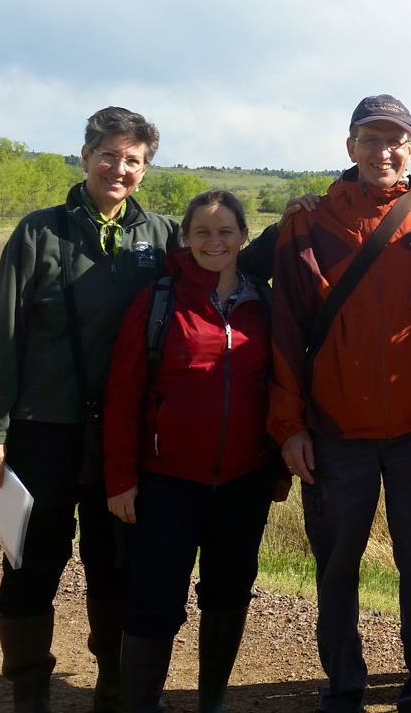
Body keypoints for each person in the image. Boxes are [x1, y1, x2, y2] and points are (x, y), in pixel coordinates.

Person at [0, 107, 296, 713]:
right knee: (32, 558)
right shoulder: (39, 233)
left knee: (114, 561)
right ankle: (29, 690)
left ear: (145, 169)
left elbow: (221, 259)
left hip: (122, 430)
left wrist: (296, 221)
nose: (119, 168)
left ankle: (114, 685)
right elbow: (3, 332)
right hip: (46, 424)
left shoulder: (161, 234)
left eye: (133, 160)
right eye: (109, 154)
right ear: (87, 152)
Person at [270, 94, 411, 713]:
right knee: (337, 570)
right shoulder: (309, 222)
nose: (384, 152)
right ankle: (345, 686)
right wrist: (291, 426)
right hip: (334, 430)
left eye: (396, 141)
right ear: (350, 146)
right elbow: (285, 332)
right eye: (371, 140)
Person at [101, 190, 288, 712]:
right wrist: (120, 477)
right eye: (202, 231)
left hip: (243, 480)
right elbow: (123, 396)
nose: (214, 241)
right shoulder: (158, 300)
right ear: (185, 237)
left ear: (244, 237)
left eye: (226, 231)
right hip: (166, 479)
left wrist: (276, 471)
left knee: (229, 594)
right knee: (156, 599)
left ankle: (212, 702)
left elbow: (276, 388)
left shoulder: (264, 303)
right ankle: (139, 704)